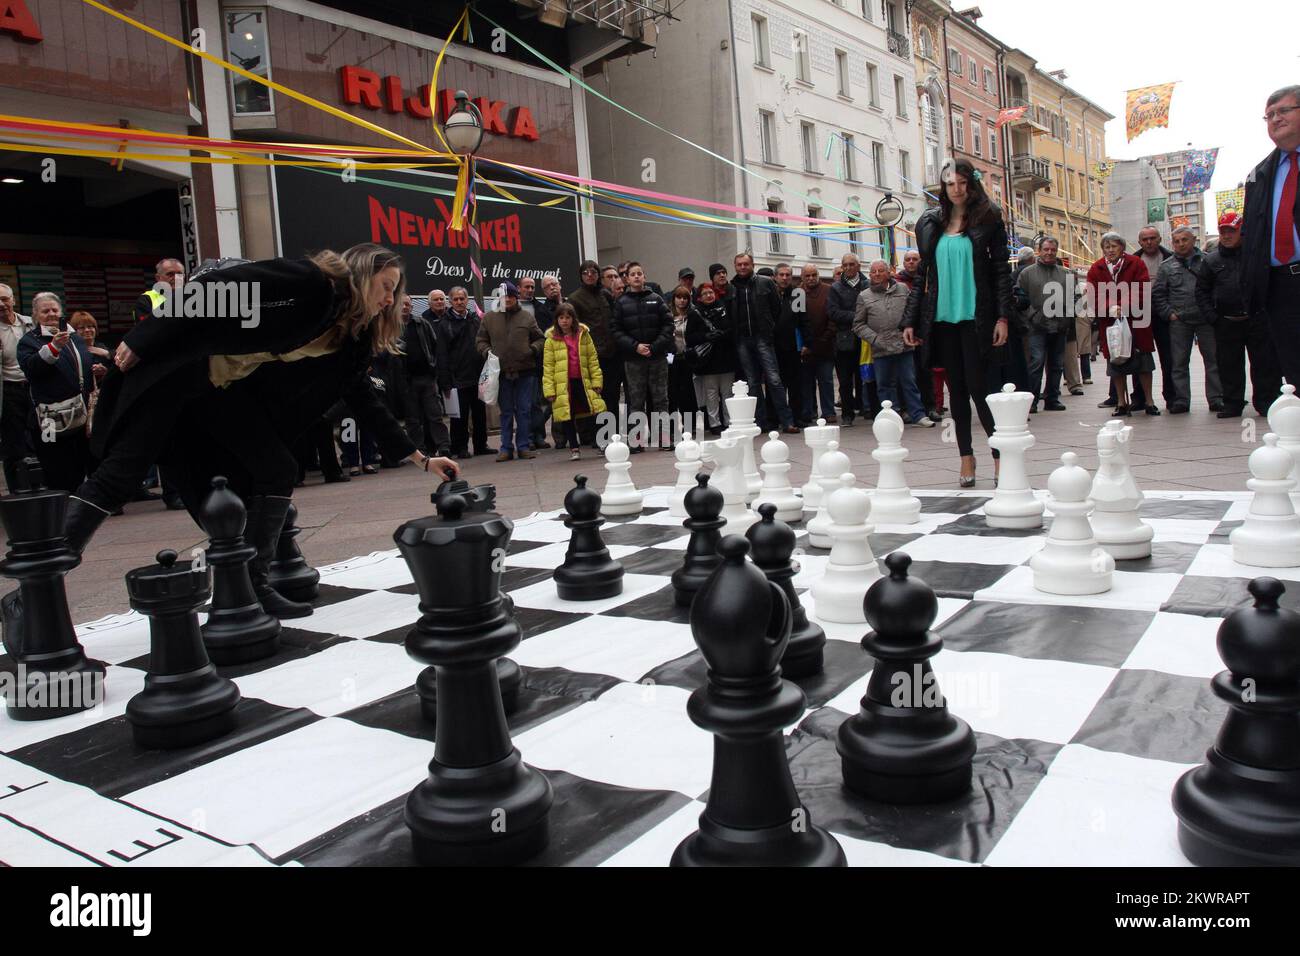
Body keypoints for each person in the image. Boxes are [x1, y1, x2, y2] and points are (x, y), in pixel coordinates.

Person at [74, 248, 460, 617]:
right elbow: (218, 288)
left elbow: (362, 399)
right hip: (176, 371)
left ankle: (254, 585)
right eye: (386, 285)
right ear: (361, 274)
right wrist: (147, 334)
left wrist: (420, 459)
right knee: (119, 476)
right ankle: (40, 579)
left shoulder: (348, 335)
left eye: (396, 289)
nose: (391, 298)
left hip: (217, 394)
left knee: (277, 468)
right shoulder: (310, 282)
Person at [901, 158, 1013, 488]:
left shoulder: (988, 218)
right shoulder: (930, 222)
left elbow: (1000, 272)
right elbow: (923, 274)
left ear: (971, 184)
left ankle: (998, 456)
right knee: (957, 393)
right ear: (943, 187)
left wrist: (1003, 316)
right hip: (941, 319)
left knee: (980, 389)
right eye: (951, 184)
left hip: (976, 316)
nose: (957, 189)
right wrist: (910, 319)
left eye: (963, 182)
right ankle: (966, 456)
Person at [1242, 85, 1300, 388]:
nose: (1275, 119)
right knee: (1293, 368)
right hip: (1279, 286)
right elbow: (1251, 236)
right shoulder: (1260, 174)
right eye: (1269, 115)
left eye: (1283, 111)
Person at [1198, 211, 1281, 417]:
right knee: (1228, 366)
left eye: (1231, 231)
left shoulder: (1256, 256)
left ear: (1242, 231)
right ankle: (1233, 403)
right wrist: (1212, 317)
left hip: (1257, 319)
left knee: (1264, 364)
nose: (1226, 236)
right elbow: (1201, 292)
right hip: (1226, 321)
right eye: (1223, 231)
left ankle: (1266, 402)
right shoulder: (1211, 261)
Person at [18, 293, 94, 493]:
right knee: (55, 464)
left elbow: (81, 366)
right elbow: (31, 368)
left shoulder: (75, 338)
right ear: (35, 315)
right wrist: (53, 347)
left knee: (78, 462)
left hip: (78, 413)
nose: (51, 314)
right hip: (48, 418)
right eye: (45, 311)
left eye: (54, 310)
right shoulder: (29, 341)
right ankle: (60, 511)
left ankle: (77, 507)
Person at [854, 260, 934, 428]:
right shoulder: (864, 296)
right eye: (873, 271)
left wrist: (913, 331)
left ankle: (918, 414)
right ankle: (891, 417)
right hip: (881, 347)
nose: (877, 274)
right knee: (884, 385)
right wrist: (875, 339)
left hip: (903, 344)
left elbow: (912, 312)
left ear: (889, 272)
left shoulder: (903, 289)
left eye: (880, 271)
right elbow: (858, 325)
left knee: (909, 381)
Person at [1087, 233, 1158, 417]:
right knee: (1116, 363)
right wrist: (1109, 308)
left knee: (1143, 361)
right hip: (1110, 323)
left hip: (1137, 321)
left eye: (1114, 246)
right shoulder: (1097, 268)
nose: (1110, 250)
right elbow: (1093, 295)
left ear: (1122, 247)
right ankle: (1121, 402)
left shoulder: (1135, 263)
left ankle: (1149, 401)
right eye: (1107, 247)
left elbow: (1142, 288)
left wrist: (1124, 306)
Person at [1153, 225, 1222, 413]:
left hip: (1205, 319)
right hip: (1179, 320)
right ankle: (1181, 400)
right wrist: (1169, 314)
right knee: (1179, 362)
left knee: (1213, 359)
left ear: (1193, 240)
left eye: (1184, 240)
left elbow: (1217, 288)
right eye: (1176, 241)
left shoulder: (1207, 261)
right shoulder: (1166, 266)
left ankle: (1216, 398)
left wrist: (1213, 312)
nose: (1181, 244)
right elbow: (1158, 294)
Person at [729, 253, 798, 434]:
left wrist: (768, 328)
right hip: (743, 340)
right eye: (739, 264)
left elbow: (776, 309)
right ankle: (760, 423)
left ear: (752, 265)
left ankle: (787, 421)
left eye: (746, 264)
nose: (742, 267)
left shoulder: (765, 282)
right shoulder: (732, 287)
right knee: (752, 383)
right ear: (735, 266)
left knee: (774, 380)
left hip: (762, 338)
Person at [476, 281, 544, 461]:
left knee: (524, 410)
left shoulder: (527, 317)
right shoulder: (489, 318)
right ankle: (505, 448)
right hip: (501, 373)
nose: (508, 300)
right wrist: (486, 351)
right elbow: (480, 340)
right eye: (504, 296)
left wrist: (533, 350)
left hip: (525, 371)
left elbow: (540, 338)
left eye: (511, 296)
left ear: (516, 297)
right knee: (505, 412)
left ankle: (523, 446)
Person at [612, 262, 673, 451]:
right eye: (633, 274)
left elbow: (668, 325)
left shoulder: (656, 299)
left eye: (640, 273)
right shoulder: (621, 303)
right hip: (634, 359)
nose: (637, 277)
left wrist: (654, 347)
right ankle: (636, 441)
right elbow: (616, 330)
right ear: (627, 279)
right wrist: (635, 346)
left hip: (657, 358)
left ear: (644, 277)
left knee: (661, 398)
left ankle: (664, 438)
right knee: (636, 400)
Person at [1016, 236, 1073, 413]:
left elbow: (1074, 298)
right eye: (1046, 249)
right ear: (1038, 250)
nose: (1049, 253)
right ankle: (1031, 401)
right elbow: (1019, 299)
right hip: (1036, 327)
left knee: (1057, 364)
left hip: (1060, 326)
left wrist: (1067, 319)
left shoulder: (1066, 273)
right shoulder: (1026, 273)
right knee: (1036, 363)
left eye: (1053, 250)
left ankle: (1052, 399)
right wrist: (1031, 317)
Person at [542, 302, 605, 461]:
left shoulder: (583, 335)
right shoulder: (551, 340)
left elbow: (592, 359)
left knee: (593, 410)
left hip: (583, 381)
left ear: (573, 319)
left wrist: (597, 380)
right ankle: (574, 447)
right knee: (567, 415)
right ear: (556, 320)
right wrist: (549, 390)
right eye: (561, 317)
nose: (564, 321)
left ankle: (599, 442)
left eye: (568, 317)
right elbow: (548, 366)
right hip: (563, 384)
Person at [437, 286, 492, 459]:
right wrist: (445, 381)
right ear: (450, 301)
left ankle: (480, 445)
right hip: (457, 378)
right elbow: (442, 354)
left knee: (480, 414)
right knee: (459, 417)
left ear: (467, 300)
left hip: (477, 376)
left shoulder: (476, 319)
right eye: (456, 299)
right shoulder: (444, 324)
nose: (460, 302)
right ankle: (459, 448)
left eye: (462, 299)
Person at [568, 260, 619, 432]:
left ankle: (614, 433)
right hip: (592, 356)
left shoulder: (606, 295)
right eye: (586, 273)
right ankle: (600, 436)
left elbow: (614, 320)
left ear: (598, 275)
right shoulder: (574, 298)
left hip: (611, 354)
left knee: (613, 396)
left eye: (593, 272)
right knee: (595, 396)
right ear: (581, 276)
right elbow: (574, 329)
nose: (590, 275)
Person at [402, 290, 450, 457]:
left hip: (427, 378)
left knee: (435, 415)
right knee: (413, 420)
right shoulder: (391, 327)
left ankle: (444, 446)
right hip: (406, 381)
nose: (404, 307)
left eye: (407, 304)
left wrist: (434, 369)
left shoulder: (422, 324)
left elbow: (436, 347)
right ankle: (419, 450)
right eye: (400, 304)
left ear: (412, 306)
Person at [685, 282, 734, 434]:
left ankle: (728, 421)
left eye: (711, 292)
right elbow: (690, 337)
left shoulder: (724, 307)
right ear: (699, 297)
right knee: (711, 393)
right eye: (705, 293)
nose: (709, 295)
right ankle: (715, 423)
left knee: (728, 392)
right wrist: (706, 336)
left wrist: (723, 334)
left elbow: (733, 327)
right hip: (708, 360)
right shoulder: (695, 313)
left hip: (726, 356)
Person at [1134, 226, 1174, 409]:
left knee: (1169, 357)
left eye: (1152, 238)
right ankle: (1140, 398)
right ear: (1140, 242)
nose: (1149, 242)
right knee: (1139, 356)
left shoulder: (1170, 257)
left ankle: (1172, 397)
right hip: (1140, 314)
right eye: (1145, 239)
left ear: (1159, 239)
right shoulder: (1133, 260)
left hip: (1164, 313)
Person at [0, 282, 35, 489]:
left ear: (13, 300)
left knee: (42, 438)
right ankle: (18, 491)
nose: (2, 304)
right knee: (14, 445)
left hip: (34, 387)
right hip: (8, 391)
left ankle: (45, 485)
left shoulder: (29, 323)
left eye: (5, 299)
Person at [827, 253, 867, 426]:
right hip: (844, 339)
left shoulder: (867, 284)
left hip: (865, 337)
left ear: (858, 266)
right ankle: (847, 413)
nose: (849, 268)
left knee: (864, 376)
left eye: (852, 264)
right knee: (844, 379)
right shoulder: (835, 288)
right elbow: (833, 312)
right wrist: (857, 316)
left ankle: (866, 408)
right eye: (845, 265)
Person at [795, 264, 837, 423]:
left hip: (825, 345)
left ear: (818, 275)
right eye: (807, 276)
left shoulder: (828, 290)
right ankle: (808, 412)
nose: (811, 278)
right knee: (806, 383)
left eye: (814, 275)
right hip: (805, 348)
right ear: (802, 277)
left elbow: (832, 319)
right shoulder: (797, 293)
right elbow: (796, 321)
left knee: (826, 380)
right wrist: (803, 345)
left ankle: (828, 412)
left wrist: (823, 340)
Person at [772, 263, 806, 426]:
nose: (785, 278)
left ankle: (796, 417)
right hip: (774, 346)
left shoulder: (797, 294)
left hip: (793, 346)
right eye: (781, 275)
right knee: (776, 384)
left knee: (795, 384)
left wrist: (805, 343)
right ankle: (775, 418)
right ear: (775, 277)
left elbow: (801, 320)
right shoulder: (769, 293)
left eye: (788, 275)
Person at [666, 284, 700, 433]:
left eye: (685, 298)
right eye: (679, 297)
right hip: (671, 356)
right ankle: (672, 427)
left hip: (686, 357)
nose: (682, 301)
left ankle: (690, 426)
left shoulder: (693, 315)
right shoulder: (667, 316)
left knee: (688, 393)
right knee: (671, 392)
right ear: (674, 299)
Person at [133, 257, 184, 323]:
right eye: (170, 274)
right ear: (158, 278)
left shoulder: (191, 297)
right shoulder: (146, 300)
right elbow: (146, 328)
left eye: (179, 274)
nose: (175, 278)